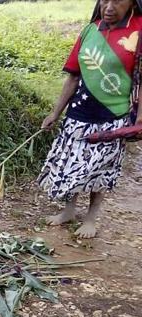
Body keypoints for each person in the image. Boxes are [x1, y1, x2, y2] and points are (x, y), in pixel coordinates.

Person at [39, 0, 142, 239]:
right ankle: (69, 210)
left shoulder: (138, 31)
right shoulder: (90, 30)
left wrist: (138, 119)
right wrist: (55, 112)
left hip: (113, 114)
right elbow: (73, 77)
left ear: (132, 5)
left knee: (101, 167)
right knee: (73, 162)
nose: (109, 7)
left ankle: (91, 217)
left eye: (117, 1)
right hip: (80, 111)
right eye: (105, 0)